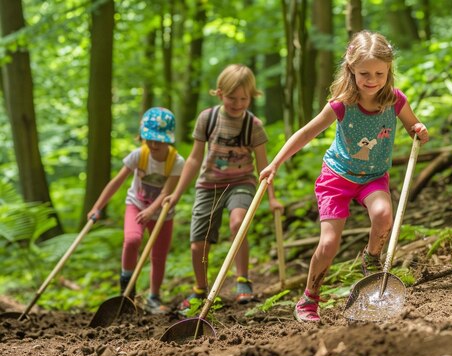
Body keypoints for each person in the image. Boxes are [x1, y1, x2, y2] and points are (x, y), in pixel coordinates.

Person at [259, 31, 430, 323]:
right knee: (328, 244)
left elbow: (415, 126)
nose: (372, 79)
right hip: (337, 178)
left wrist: (420, 130)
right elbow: (306, 133)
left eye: (379, 72)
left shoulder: (396, 101)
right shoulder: (341, 104)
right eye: (364, 73)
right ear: (350, 68)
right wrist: (274, 163)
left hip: (373, 177)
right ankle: (309, 299)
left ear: (389, 70)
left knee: (383, 214)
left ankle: (371, 258)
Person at [163, 64, 282, 313]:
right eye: (231, 98)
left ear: (252, 97)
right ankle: (201, 288)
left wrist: (271, 197)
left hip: (242, 182)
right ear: (219, 94)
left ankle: (242, 280)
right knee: (199, 243)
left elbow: (264, 164)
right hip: (209, 185)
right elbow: (195, 158)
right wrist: (176, 194)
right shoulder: (208, 118)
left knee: (238, 223)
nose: (238, 104)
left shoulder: (253, 125)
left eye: (243, 98)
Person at [88, 107, 185, 315]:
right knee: (132, 240)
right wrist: (97, 207)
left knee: (159, 256)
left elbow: (167, 192)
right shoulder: (138, 156)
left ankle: (154, 297)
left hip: (162, 213)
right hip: (137, 205)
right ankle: (127, 289)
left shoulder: (176, 162)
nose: (153, 144)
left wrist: (152, 210)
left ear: (169, 139)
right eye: (149, 138)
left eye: (158, 139)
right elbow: (116, 182)